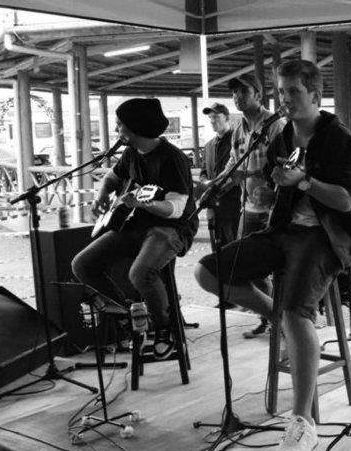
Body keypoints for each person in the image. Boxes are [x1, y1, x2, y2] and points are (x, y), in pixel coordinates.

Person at [194, 59, 351, 451]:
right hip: (284, 230)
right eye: (281, 91)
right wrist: (265, 190)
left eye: (293, 92)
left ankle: (303, 421)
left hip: (325, 237)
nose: (285, 99)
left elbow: (345, 201)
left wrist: (303, 180)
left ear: (315, 95)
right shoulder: (282, 136)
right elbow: (277, 187)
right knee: (207, 271)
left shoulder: (338, 138)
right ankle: (277, 316)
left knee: (297, 313)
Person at [73, 98, 198, 359]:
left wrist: (145, 204)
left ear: (136, 127)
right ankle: (128, 315)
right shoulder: (130, 154)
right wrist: (102, 197)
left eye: (120, 125)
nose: (116, 130)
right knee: (83, 264)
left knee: (140, 274)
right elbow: (112, 177)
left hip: (171, 228)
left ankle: (165, 328)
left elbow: (175, 209)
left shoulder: (173, 158)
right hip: (134, 225)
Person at [217, 76, 286, 338]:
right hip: (248, 208)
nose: (237, 96)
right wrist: (215, 184)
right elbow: (233, 164)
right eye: (234, 92)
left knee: (280, 268)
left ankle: (288, 320)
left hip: (274, 208)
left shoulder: (275, 125)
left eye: (243, 91)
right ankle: (268, 316)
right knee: (246, 266)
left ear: (258, 94)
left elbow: (284, 164)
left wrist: (256, 179)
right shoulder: (238, 128)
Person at [198, 102, 241, 244]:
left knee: (233, 244)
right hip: (213, 205)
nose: (212, 121)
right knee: (216, 245)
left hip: (233, 204)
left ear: (227, 118)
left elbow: (237, 172)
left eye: (216, 117)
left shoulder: (237, 141)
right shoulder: (208, 146)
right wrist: (204, 182)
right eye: (210, 117)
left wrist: (215, 189)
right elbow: (204, 170)